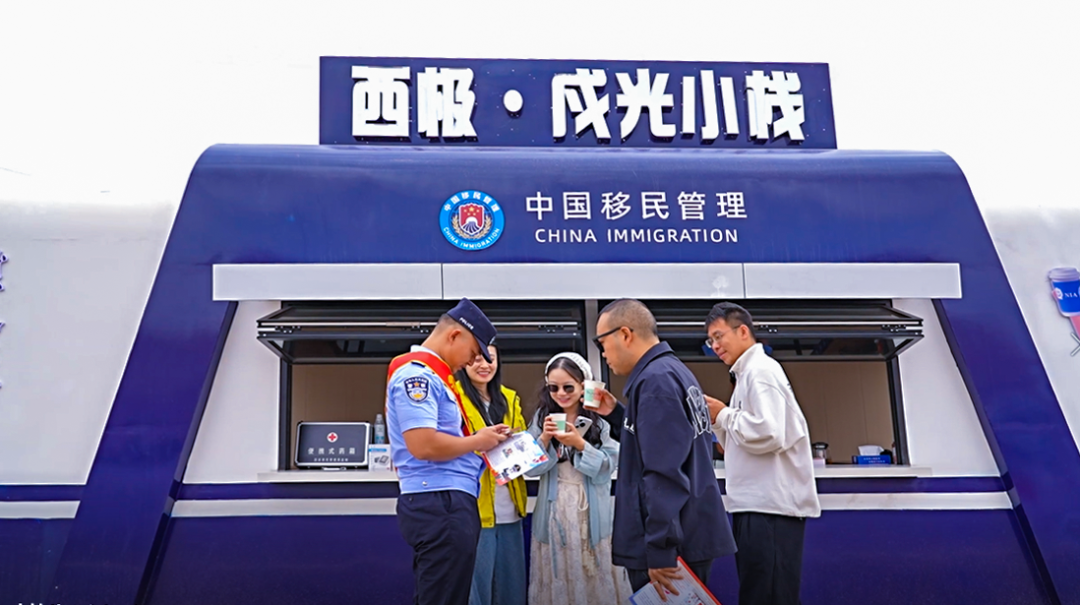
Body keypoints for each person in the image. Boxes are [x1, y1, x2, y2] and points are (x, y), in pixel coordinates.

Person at [591, 299, 737, 599]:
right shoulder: (673, 372)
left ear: (625, 334)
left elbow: (664, 472)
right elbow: (658, 444)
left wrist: (659, 549)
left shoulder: (655, 382)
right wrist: (618, 415)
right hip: (686, 532)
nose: (602, 353)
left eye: (601, 342)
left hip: (671, 546)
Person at [385, 298, 511, 605]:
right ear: (455, 335)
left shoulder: (436, 378)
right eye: (473, 353)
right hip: (441, 502)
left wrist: (481, 439)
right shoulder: (419, 377)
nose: (471, 362)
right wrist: (477, 442)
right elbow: (423, 444)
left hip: (444, 501)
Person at [703, 302, 821, 605]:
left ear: (743, 331)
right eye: (710, 340)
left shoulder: (760, 372)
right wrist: (719, 420)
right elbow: (743, 442)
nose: (714, 345)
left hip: (769, 509)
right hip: (757, 506)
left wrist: (723, 414)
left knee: (767, 595)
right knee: (762, 592)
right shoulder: (748, 374)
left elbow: (770, 432)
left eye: (719, 336)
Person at [525, 352, 633, 605]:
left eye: (568, 387)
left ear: (583, 385)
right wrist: (543, 439)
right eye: (553, 387)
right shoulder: (542, 418)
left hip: (592, 511)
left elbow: (608, 466)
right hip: (553, 512)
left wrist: (580, 444)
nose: (560, 393)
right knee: (558, 573)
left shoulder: (600, 418)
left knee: (595, 573)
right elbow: (528, 469)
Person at [454, 343, 528, 605]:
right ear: (465, 362)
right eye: (476, 359)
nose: (484, 365)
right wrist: (479, 441)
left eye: (490, 359)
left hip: (510, 505)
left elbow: (522, 442)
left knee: (512, 590)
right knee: (477, 590)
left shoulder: (509, 398)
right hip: (474, 507)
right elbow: (449, 445)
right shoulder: (453, 397)